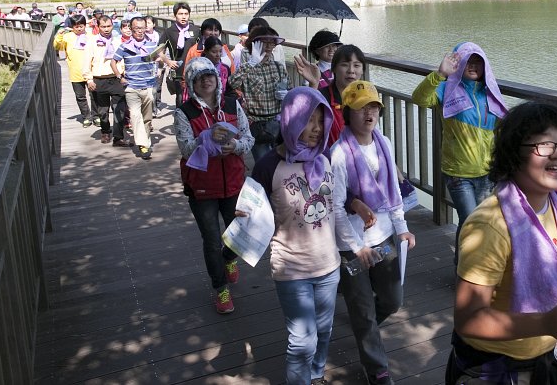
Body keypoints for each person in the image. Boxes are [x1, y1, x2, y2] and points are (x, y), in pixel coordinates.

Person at [447, 102, 557, 384]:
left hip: (545, 356)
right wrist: (546, 322)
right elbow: (469, 319)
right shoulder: (491, 225)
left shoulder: (555, 205)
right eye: (544, 145)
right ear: (514, 153)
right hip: (497, 367)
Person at [251, 87, 355, 385]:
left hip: (328, 265)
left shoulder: (325, 159)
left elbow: (337, 207)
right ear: (291, 120)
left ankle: (317, 375)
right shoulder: (267, 166)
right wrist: (244, 217)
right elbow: (249, 212)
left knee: (323, 331)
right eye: (309, 120)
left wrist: (354, 243)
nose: (316, 129)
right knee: (301, 341)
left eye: (321, 121)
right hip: (291, 267)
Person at [330, 80, 416, 385]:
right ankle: (376, 368)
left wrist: (402, 229)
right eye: (362, 107)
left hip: (383, 238)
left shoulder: (385, 143)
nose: (369, 113)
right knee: (363, 309)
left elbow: (393, 191)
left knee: (392, 299)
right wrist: (356, 247)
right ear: (348, 112)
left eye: (374, 107)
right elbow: (336, 207)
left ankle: (365, 334)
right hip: (351, 247)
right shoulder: (339, 154)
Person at [412, 42, 507, 255]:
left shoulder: (490, 92)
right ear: (459, 63)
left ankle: (463, 265)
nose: (473, 66)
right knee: (473, 221)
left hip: (486, 171)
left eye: (478, 62)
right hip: (458, 172)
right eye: (468, 61)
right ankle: (468, 272)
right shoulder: (446, 88)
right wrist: (439, 74)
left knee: (473, 221)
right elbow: (419, 98)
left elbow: (502, 127)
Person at [175, 57, 253, 314]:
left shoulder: (232, 104)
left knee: (237, 234)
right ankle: (220, 290)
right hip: (202, 186)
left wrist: (234, 146)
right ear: (191, 83)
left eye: (210, 75)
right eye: (200, 77)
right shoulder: (185, 112)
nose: (207, 80)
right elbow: (186, 149)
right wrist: (207, 140)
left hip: (233, 181)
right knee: (211, 239)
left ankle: (229, 259)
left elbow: (248, 138)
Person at [229, 25, 289, 162]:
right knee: (263, 162)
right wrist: (252, 62)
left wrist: (287, 94)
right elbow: (232, 83)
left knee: (280, 162)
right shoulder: (248, 67)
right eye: (264, 43)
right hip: (256, 123)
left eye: (272, 43)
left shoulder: (278, 67)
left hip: (277, 122)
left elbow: (289, 88)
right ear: (254, 45)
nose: (269, 47)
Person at [111, 17, 164, 160]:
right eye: (136, 29)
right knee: (135, 115)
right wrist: (119, 76)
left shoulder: (152, 44)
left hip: (148, 86)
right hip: (131, 87)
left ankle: (144, 141)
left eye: (142, 28)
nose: (140, 31)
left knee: (147, 118)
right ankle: (143, 145)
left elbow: (161, 59)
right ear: (131, 28)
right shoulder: (125, 46)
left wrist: (160, 65)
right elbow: (113, 62)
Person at [295, 44, 366, 147]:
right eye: (345, 64)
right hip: (326, 157)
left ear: (363, 70)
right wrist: (313, 85)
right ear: (333, 69)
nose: (351, 70)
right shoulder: (322, 97)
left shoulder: (366, 99)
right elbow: (302, 125)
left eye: (356, 65)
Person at [82, 15, 131, 147]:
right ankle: (105, 130)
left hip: (116, 79)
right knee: (103, 110)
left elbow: (125, 59)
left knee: (119, 109)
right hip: (99, 79)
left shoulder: (118, 41)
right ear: (98, 27)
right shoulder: (92, 41)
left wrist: (124, 75)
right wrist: (89, 79)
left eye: (109, 26)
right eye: (103, 26)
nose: (106, 29)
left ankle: (118, 137)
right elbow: (86, 61)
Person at [54, 13, 95, 127]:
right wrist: (59, 35)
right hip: (75, 72)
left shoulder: (90, 35)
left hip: (91, 71)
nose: (79, 28)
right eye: (76, 26)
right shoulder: (68, 37)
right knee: (80, 96)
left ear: (84, 25)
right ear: (72, 27)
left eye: (81, 26)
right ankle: (86, 116)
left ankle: (96, 116)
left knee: (94, 95)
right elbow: (58, 46)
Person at [159, 2, 194, 107]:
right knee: (180, 98)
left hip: (193, 69)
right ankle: (180, 121)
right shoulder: (169, 32)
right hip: (178, 70)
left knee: (194, 97)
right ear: (175, 15)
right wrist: (168, 61)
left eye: (186, 14)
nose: (183, 17)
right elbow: (159, 51)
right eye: (180, 14)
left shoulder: (195, 30)